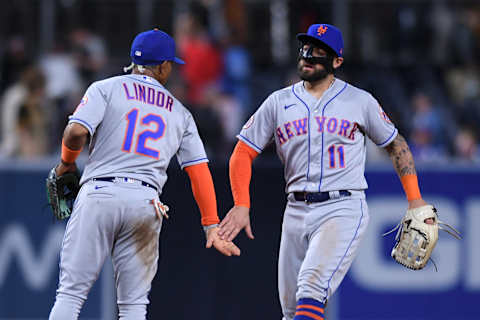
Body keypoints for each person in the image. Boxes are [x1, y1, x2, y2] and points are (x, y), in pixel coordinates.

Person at [218, 23, 431, 320]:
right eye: (306, 49)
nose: (308, 56)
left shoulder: (359, 101)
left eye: (319, 52)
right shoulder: (279, 102)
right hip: (295, 210)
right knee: (292, 312)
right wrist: (241, 203)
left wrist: (415, 199)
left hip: (342, 206)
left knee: (311, 287)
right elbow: (242, 152)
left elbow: (396, 145)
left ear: (336, 61)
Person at [48, 28, 240, 320]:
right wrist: (210, 224)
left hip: (100, 192)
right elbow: (199, 172)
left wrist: (66, 163)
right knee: (134, 306)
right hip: (146, 201)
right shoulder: (180, 112)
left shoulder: (106, 88)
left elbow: (75, 132)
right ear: (163, 66)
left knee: (71, 294)